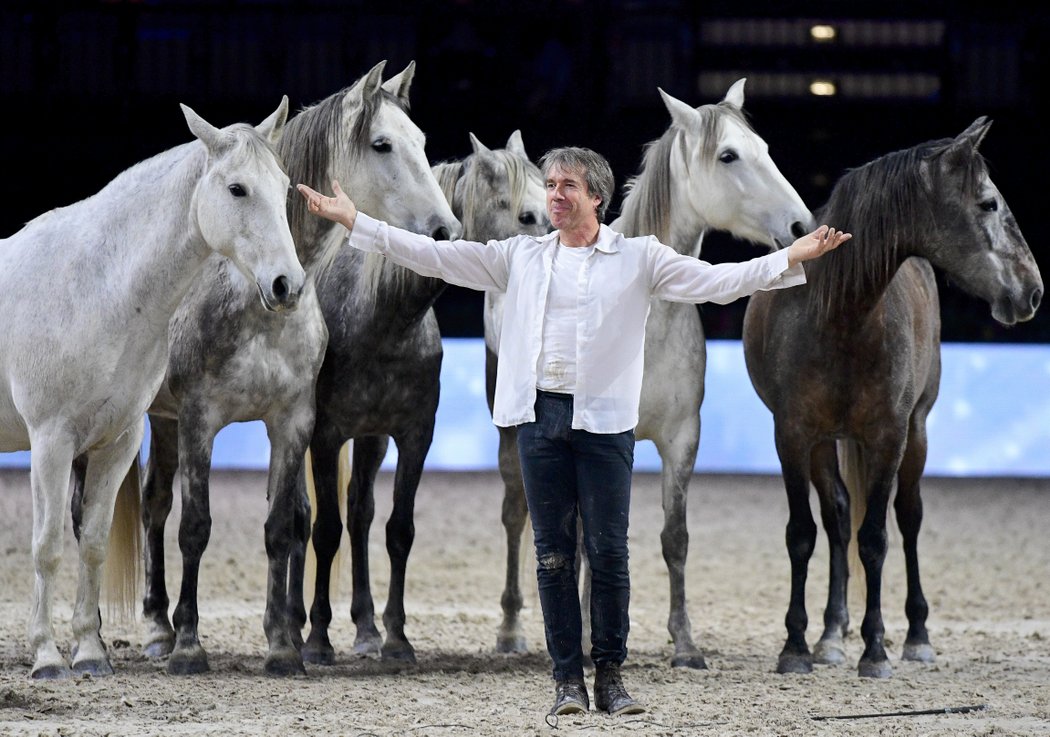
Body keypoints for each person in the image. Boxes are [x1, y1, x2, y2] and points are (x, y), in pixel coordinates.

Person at [297, 147, 850, 717]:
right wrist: (354, 220)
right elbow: (435, 255)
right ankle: (566, 681)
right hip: (539, 421)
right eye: (550, 184)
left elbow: (719, 282)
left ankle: (609, 675)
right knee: (553, 556)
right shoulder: (519, 256)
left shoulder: (639, 258)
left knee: (609, 555)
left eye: (567, 186)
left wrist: (790, 255)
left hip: (606, 424)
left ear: (597, 199)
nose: (554, 195)